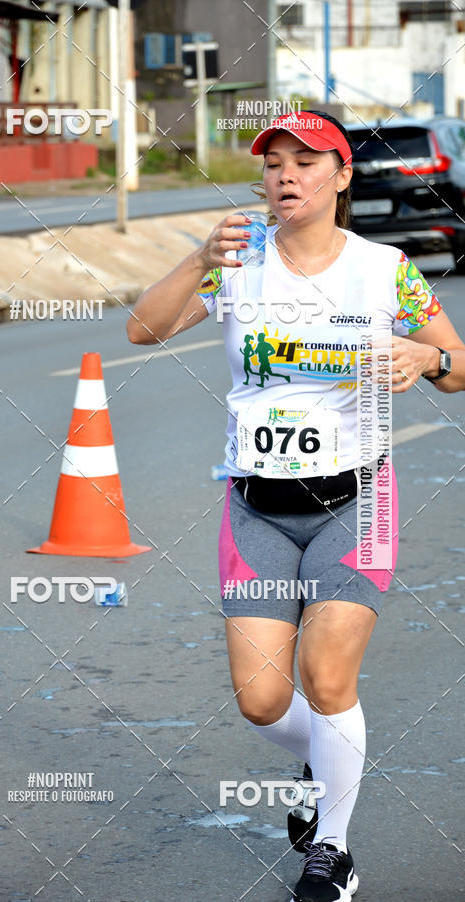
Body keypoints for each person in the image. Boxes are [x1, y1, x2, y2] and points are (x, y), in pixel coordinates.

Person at [126, 109, 465, 902]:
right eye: (274, 162)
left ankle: (332, 854)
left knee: (325, 674)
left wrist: (427, 353)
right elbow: (142, 329)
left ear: (343, 177)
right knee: (262, 700)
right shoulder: (237, 264)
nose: (286, 175)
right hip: (257, 507)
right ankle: (325, 756)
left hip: (358, 500)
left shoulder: (387, 271)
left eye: (307, 162)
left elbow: (460, 368)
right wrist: (196, 257)